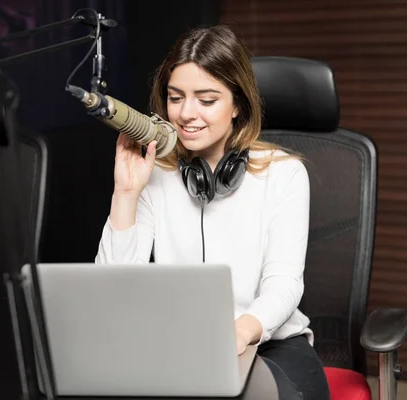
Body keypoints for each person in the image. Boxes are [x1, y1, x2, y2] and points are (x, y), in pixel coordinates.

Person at [94, 25, 330, 400]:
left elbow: (284, 283)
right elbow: (111, 291)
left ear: (237, 104)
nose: (187, 114)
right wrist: (125, 193)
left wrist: (240, 332)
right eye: (176, 98)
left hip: (270, 346)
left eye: (206, 100)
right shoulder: (154, 172)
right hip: (181, 347)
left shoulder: (283, 173)